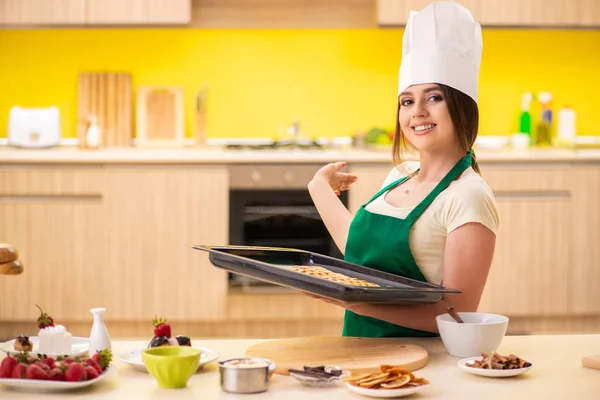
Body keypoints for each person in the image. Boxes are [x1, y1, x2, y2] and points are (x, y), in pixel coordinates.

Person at [306, 1, 499, 338]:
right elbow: (360, 255)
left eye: (434, 97)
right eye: (407, 101)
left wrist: (348, 300)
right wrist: (318, 188)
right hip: (362, 353)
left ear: (462, 106)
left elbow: (457, 314)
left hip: (422, 366)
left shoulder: (469, 195)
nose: (418, 112)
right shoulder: (401, 174)